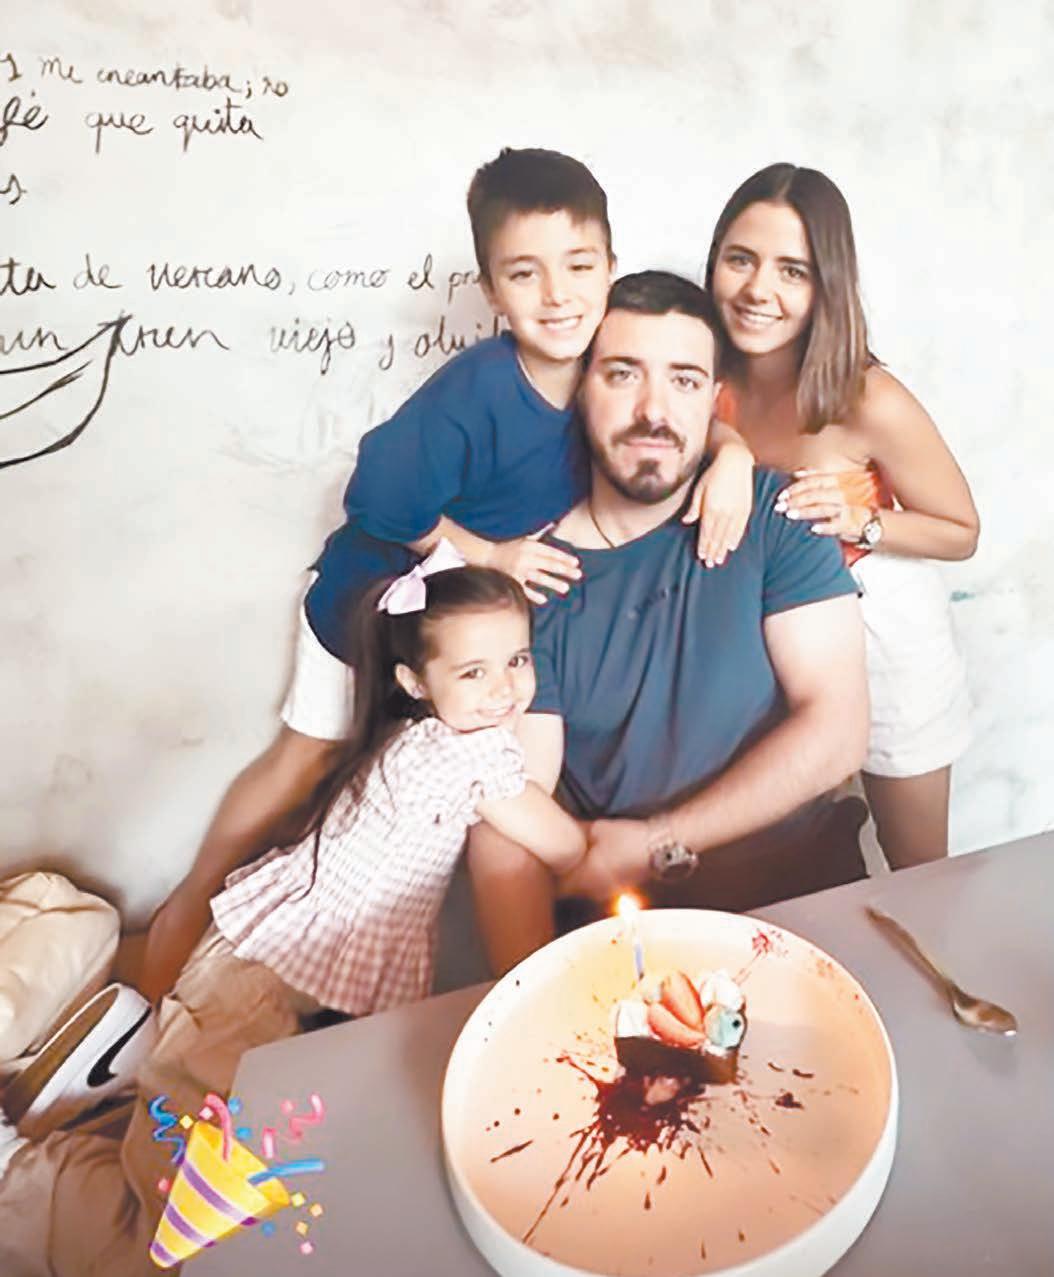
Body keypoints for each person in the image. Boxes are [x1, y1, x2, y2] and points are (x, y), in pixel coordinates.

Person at [140, 147, 753, 1000]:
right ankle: (186, 910)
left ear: (610, 268)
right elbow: (375, 496)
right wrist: (493, 553)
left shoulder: (596, 367)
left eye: (579, 267)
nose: (558, 295)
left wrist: (734, 452)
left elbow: (663, 407)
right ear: (492, 291)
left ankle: (309, 965)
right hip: (365, 599)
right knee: (306, 762)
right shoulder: (477, 390)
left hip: (448, 626)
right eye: (526, 274)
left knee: (396, 793)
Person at [0, 553, 585, 1275]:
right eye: (474, 672)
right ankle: (20, 1174)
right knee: (181, 1197)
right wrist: (617, 850)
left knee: (217, 1173)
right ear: (416, 681)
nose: (505, 689)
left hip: (293, 976)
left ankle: (86, 1134)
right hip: (261, 977)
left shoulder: (425, 734)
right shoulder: (458, 756)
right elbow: (565, 842)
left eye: (518, 660)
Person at [467, 270, 870, 976]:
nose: (653, 411)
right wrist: (527, 1003)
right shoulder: (533, 579)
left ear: (715, 402)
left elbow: (837, 731)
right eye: (623, 374)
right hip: (634, 946)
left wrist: (660, 838)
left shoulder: (778, 516)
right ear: (579, 388)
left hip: (807, 904)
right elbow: (511, 808)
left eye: (683, 381)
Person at [705, 163, 979, 869]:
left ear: (826, 283)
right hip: (764, 649)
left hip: (885, 643)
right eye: (741, 259)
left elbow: (961, 530)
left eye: (792, 271)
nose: (758, 289)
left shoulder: (867, 396)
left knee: (916, 868)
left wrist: (864, 522)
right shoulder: (701, 375)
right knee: (794, 864)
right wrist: (727, 448)